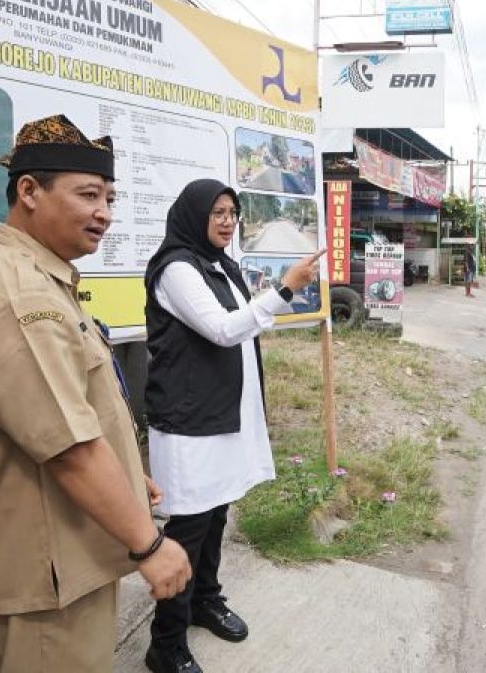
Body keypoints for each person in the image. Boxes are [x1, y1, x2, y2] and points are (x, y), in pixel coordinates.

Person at [0, 115, 191, 672]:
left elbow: (68, 412)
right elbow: (70, 451)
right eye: (89, 194)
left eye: (110, 198)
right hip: (41, 585)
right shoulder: (18, 296)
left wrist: (124, 470)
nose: (105, 213)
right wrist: (150, 546)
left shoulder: (42, 279)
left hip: (65, 562)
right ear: (29, 191)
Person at [142, 179, 324, 673]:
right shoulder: (178, 269)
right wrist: (285, 289)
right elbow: (224, 330)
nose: (227, 220)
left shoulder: (218, 264)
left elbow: (241, 325)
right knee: (188, 530)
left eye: (233, 212)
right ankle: (166, 643)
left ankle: (205, 599)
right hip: (189, 424)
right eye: (217, 211)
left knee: (216, 515)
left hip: (221, 416)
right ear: (192, 215)